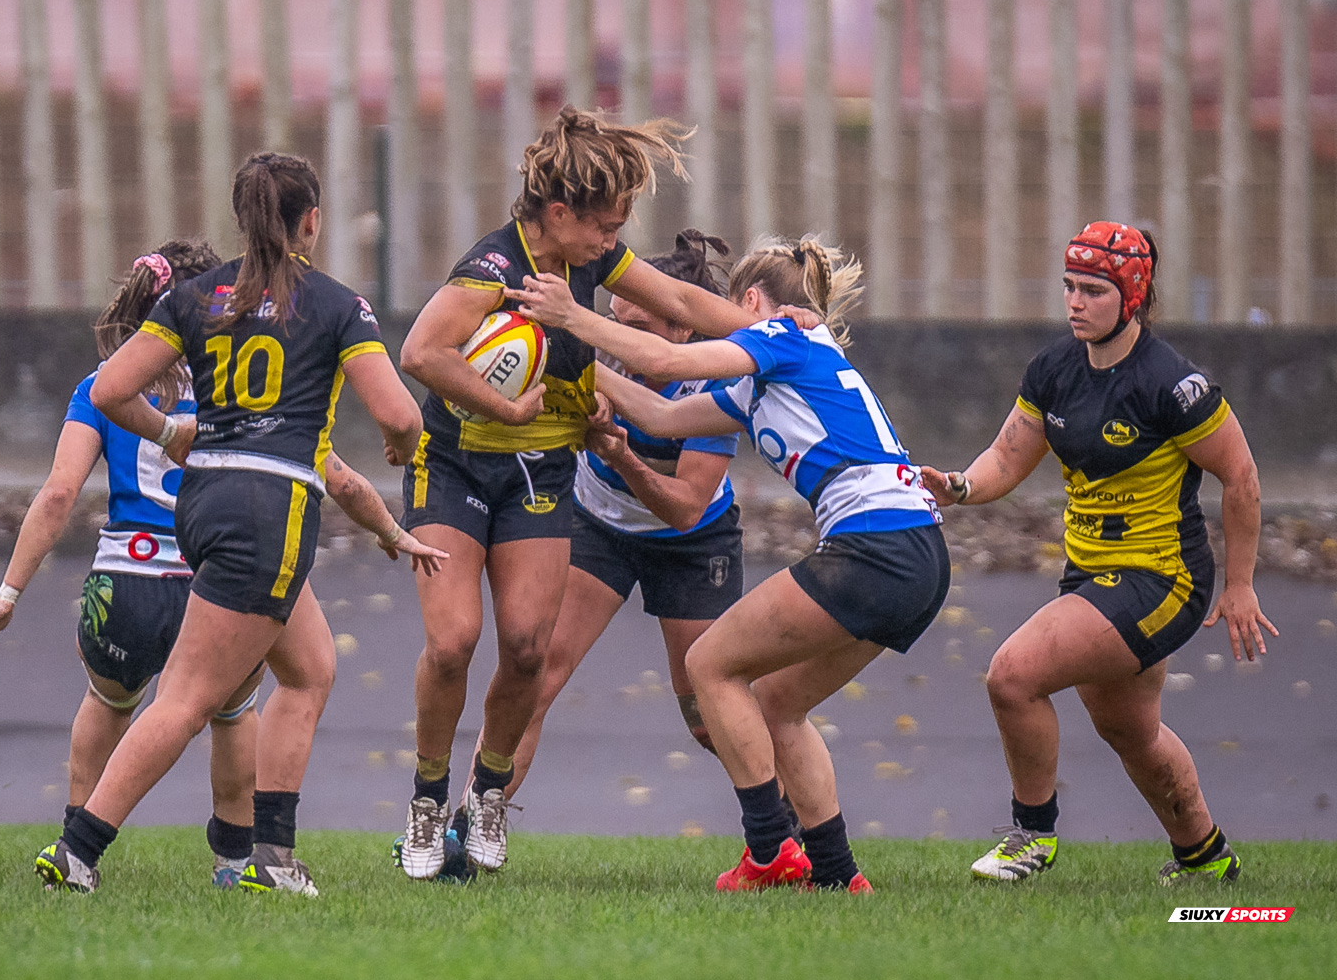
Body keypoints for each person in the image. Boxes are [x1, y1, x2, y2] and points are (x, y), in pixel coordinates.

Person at [0, 239, 444, 889]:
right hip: (218, 563)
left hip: (123, 579)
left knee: (109, 703)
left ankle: (77, 832)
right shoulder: (234, 387)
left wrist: (8, 593)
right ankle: (231, 858)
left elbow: (58, 494)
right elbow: (341, 474)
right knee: (228, 710)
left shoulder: (101, 385)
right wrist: (390, 529)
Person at [397, 107, 798, 878]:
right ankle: (424, 801)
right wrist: (505, 406)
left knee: (524, 648)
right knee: (452, 643)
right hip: (454, 466)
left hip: (541, 475)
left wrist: (781, 336)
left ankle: (486, 796)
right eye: (605, 226)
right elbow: (420, 351)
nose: (614, 241)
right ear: (558, 215)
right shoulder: (492, 270)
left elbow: (683, 307)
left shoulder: (592, 266)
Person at [507, 233, 947, 894]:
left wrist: (570, 316)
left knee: (708, 664)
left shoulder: (780, 338)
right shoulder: (762, 379)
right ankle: (834, 874)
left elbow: (658, 354)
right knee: (777, 703)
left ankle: (768, 850)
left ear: (748, 303)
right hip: (919, 554)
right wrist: (571, 361)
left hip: (875, 543)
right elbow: (656, 407)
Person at [920, 222, 1272, 887]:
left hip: (1161, 578)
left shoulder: (1171, 383)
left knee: (1012, 675)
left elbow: (1243, 475)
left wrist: (1242, 585)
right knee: (1129, 729)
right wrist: (961, 486)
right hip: (1090, 573)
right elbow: (1006, 455)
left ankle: (1032, 836)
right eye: (1069, 287)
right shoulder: (1054, 369)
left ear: (1132, 296)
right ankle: (1205, 859)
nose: (1075, 303)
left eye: (1092, 291)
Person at [486, 231, 747, 799]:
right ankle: (473, 824)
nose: (621, 340)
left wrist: (620, 453)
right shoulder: (597, 349)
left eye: (641, 330)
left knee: (707, 715)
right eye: (615, 321)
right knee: (534, 679)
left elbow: (683, 508)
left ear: (682, 332)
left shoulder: (720, 382)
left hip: (693, 544)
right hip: (597, 524)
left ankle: (790, 827)